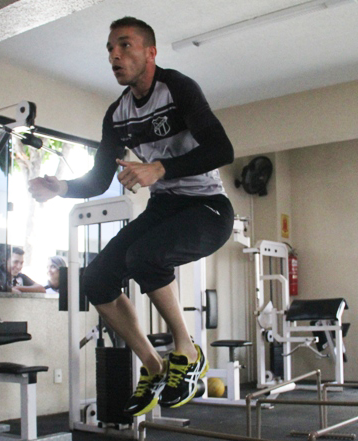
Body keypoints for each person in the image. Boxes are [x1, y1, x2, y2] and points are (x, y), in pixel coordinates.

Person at [29, 17, 234, 416]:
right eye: (110, 49)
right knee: (96, 279)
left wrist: (158, 169)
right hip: (165, 207)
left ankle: (187, 353)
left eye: (125, 46)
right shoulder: (117, 114)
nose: (115, 56)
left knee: (144, 257)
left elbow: (222, 149)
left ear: (150, 53)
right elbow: (97, 178)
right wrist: (62, 188)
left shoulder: (177, 88)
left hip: (208, 208)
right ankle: (155, 367)